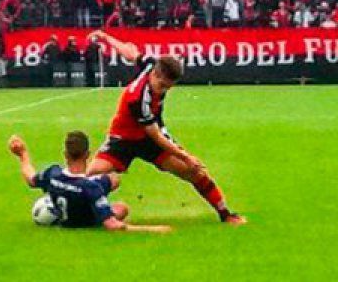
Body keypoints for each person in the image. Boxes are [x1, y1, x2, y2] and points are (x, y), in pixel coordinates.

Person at [86, 31, 246, 225]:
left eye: (168, 87)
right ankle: (79, 211)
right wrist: (186, 156)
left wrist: (105, 37)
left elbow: (130, 51)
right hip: (124, 138)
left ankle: (225, 214)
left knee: (194, 172)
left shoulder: (153, 66)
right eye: (162, 86)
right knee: (91, 175)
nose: (164, 90)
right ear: (154, 74)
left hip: (150, 137)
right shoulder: (137, 98)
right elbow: (155, 135)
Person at [8, 132, 171, 233]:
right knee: (121, 207)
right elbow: (112, 225)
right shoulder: (91, 188)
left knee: (112, 180)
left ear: (65, 154)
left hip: (68, 207)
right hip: (88, 219)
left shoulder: (53, 174)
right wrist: (153, 229)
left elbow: (30, 178)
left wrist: (23, 154)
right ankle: (97, 202)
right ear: (88, 154)